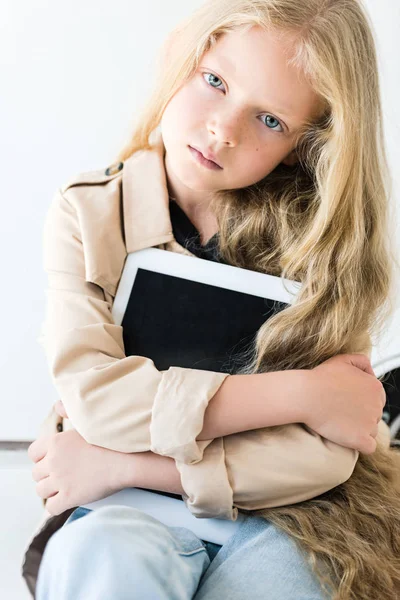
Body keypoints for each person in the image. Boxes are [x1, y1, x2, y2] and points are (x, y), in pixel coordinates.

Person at [22, 0, 400, 598]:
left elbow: (324, 457)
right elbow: (101, 404)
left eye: (270, 120)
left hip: (281, 517)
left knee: (295, 583)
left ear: (306, 145)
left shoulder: (324, 249)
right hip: (124, 507)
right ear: (183, 54)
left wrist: (127, 463)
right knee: (101, 561)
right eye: (216, 82)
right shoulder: (88, 212)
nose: (223, 128)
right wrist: (302, 393)